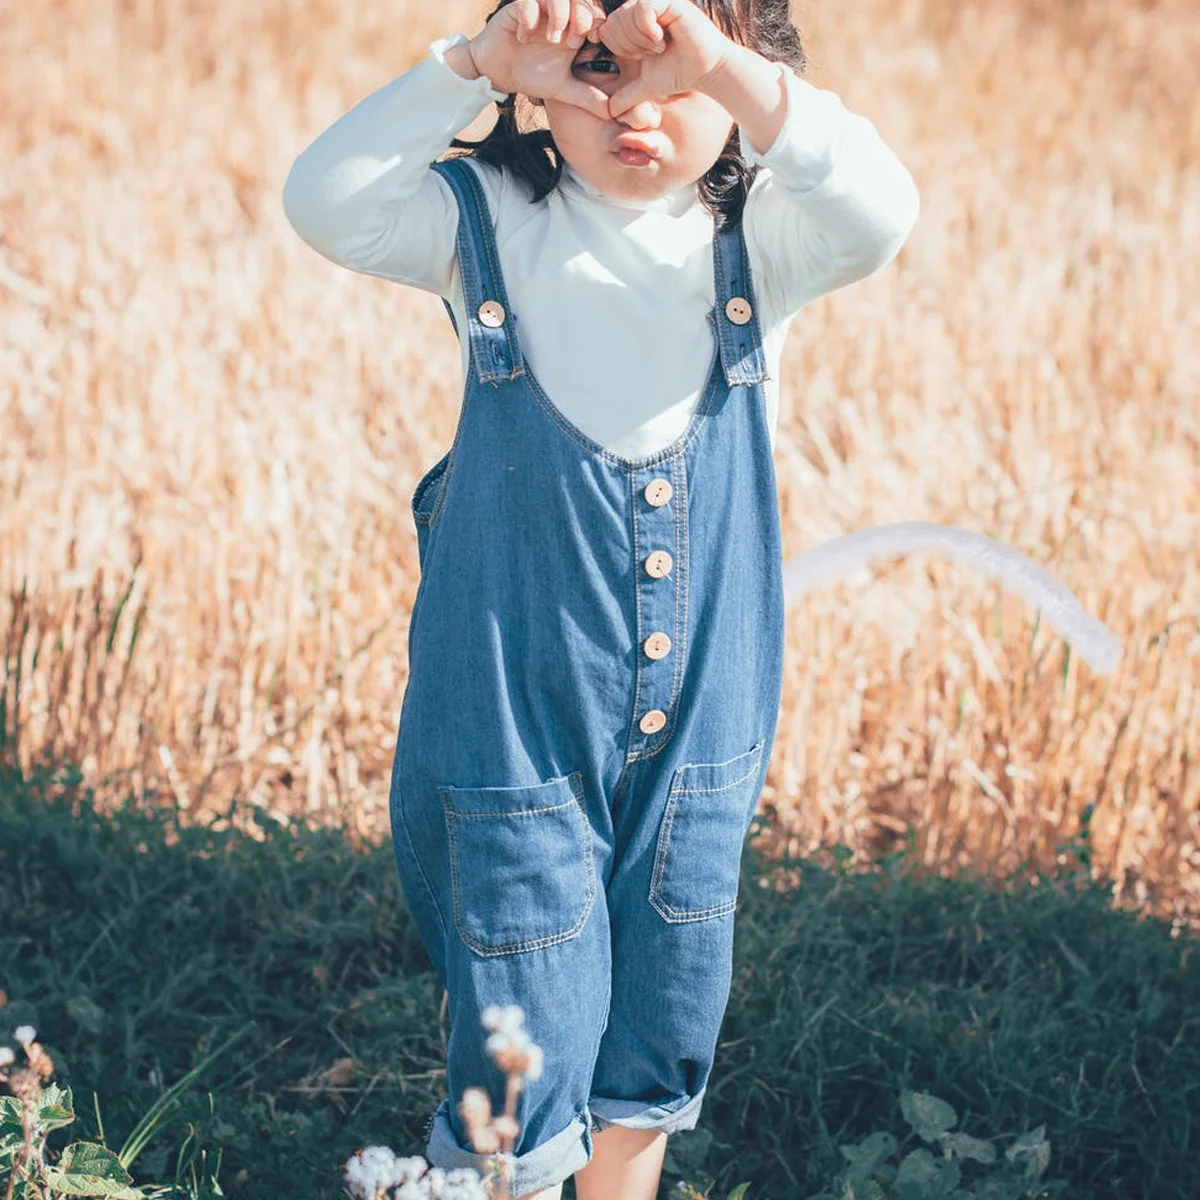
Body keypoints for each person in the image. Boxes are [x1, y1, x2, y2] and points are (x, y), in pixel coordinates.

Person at [282, 0, 918, 1195]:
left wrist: (721, 62)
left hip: (700, 733)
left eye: (673, 76)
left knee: (669, 987)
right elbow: (325, 198)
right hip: (520, 714)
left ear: (738, 96)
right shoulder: (488, 226)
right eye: (595, 72)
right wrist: (475, 65)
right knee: (527, 1001)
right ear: (535, 88)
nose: (635, 106)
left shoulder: (760, 245)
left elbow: (883, 210)